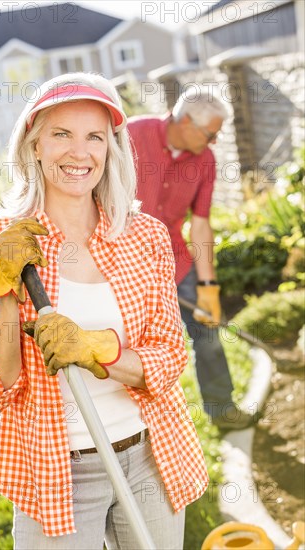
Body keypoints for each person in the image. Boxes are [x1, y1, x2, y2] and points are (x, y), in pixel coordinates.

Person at [0, 72, 209, 549]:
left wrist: (100, 351)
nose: (80, 152)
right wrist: (5, 294)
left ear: (110, 148)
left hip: (150, 455)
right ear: (33, 144)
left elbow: (170, 356)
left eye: (94, 136)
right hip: (56, 467)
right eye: (61, 134)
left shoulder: (144, 235)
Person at [127, 89, 255, 430]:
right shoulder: (130, 136)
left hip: (175, 261)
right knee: (133, 350)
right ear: (185, 122)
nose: (213, 142)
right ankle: (143, 426)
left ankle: (222, 408)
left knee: (208, 334)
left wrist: (208, 286)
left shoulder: (205, 161)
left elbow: (200, 224)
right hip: (124, 267)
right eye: (210, 134)